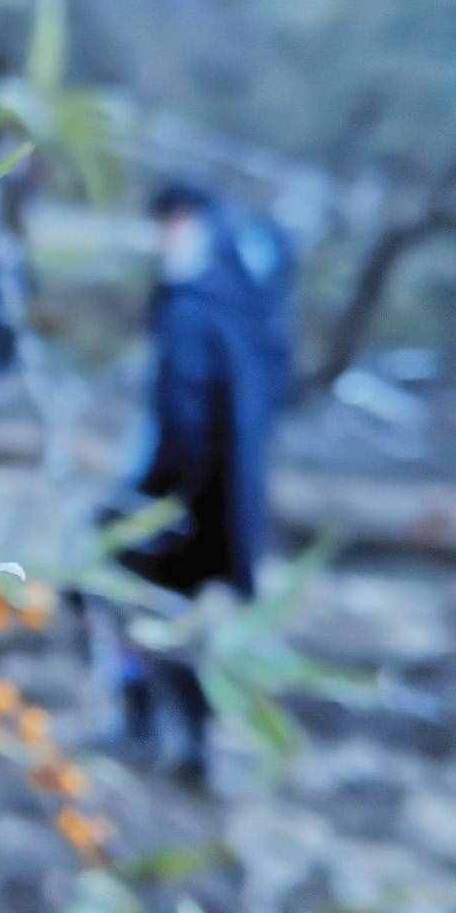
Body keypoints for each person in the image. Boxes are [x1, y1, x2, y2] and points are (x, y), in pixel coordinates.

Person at [107, 182, 292, 782]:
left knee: (120, 599)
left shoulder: (190, 306)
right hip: (228, 499)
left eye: (169, 223)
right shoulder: (244, 299)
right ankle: (192, 746)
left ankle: (146, 729)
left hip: (181, 499)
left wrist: (150, 500)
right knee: (182, 619)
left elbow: (184, 415)